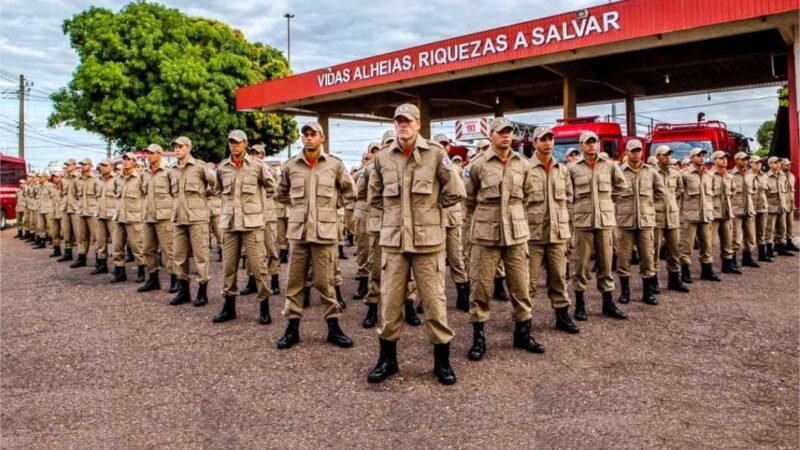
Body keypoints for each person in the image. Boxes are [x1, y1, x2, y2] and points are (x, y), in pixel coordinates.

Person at [366, 104, 460, 385]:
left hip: (427, 243)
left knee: (434, 303)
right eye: (399, 121)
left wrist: (431, 212)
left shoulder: (435, 154)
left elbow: (455, 191)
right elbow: (375, 196)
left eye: (407, 121)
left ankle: (442, 362)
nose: (402, 126)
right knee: (390, 303)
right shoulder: (383, 158)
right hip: (394, 243)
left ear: (418, 124)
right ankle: (387, 360)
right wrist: (396, 216)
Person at [463, 118, 546, 363]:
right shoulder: (478, 164)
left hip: (516, 234)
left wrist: (513, 216)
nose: (506, 136)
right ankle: (479, 338)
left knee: (521, 286)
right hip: (485, 234)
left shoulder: (522, 164)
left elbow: (527, 196)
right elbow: (468, 199)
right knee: (480, 287)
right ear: (491, 135)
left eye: (509, 132)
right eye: (501, 132)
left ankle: (523, 334)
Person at [274, 122, 356, 350]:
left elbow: (350, 192)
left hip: (324, 234)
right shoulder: (291, 166)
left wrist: (331, 207)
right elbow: (280, 193)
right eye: (306, 135)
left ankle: (334, 328)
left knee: (325, 283)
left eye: (313, 134)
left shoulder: (334, 165)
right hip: (299, 234)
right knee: (294, 283)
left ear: (322, 138)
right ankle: (292, 329)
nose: (309, 138)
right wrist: (298, 209)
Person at [211, 131, 276, 325]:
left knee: (258, 267)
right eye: (231, 142)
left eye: (237, 142)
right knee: (228, 267)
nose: (234, 145)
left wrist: (257, 207)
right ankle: (228, 307)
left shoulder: (257, 166)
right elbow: (218, 189)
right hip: (230, 224)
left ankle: (264, 307)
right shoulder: (223, 168)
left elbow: (271, 187)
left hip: (252, 224)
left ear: (245, 144)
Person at [569, 131, 629, 321]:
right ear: (581, 145)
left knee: (606, 264)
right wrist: (574, 210)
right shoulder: (573, 168)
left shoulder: (609, 165)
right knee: (580, 266)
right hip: (583, 222)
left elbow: (622, 185)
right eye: (587, 142)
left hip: (604, 222)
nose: (591, 145)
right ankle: (580, 305)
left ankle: (608, 304)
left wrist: (608, 201)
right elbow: (567, 193)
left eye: (594, 142)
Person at [525, 126, 579, 334]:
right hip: (533, 235)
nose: (548, 143)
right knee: (528, 281)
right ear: (534, 143)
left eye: (550, 139)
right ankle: (524, 320)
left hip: (557, 234)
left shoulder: (561, 170)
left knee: (558, 277)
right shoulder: (525, 168)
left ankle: (562, 316)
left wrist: (567, 229)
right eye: (543, 139)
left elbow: (569, 200)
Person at [614, 139, 665, 306]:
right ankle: (625, 292)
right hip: (625, 222)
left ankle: (647, 293)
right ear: (627, 152)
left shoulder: (650, 172)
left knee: (647, 258)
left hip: (646, 222)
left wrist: (648, 207)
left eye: (639, 150)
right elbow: (611, 193)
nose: (636, 154)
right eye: (633, 150)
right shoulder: (619, 171)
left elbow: (660, 192)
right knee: (624, 259)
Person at [169, 136, 215, 306]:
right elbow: (171, 193)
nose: (177, 149)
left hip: (197, 218)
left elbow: (216, 184)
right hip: (178, 217)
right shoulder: (172, 170)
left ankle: (202, 291)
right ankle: (184, 291)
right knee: (179, 256)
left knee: (201, 256)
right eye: (175, 147)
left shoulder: (199, 167)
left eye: (180, 146)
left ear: (189, 148)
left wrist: (205, 196)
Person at [239, 144, 282, 297]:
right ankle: (252, 281)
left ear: (263, 155)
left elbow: (275, 189)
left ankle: (275, 281)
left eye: (258, 153)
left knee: (271, 249)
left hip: (268, 215)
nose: (255, 155)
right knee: (250, 251)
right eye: (252, 153)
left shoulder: (271, 171)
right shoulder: (246, 169)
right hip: (252, 216)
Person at [434, 133, 469, 310]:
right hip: (434, 220)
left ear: (448, 147)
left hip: (453, 219)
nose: (442, 147)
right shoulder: (429, 166)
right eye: (439, 144)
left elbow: (463, 192)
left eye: (445, 144)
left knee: (456, 258)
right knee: (434, 262)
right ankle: (431, 298)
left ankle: (463, 295)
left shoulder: (457, 169)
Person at [138, 144, 179, 293]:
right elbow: (143, 193)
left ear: (159, 154)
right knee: (148, 249)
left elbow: (175, 194)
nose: (148, 156)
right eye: (147, 153)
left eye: (151, 153)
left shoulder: (168, 172)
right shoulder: (145, 173)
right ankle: (153, 279)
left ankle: (175, 280)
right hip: (148, 216)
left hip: (164, 217)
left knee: (169, 250)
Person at [679, 148, 720, 282]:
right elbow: (678, 194)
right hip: (689, 215)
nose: (702, 157)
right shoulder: (684, 174)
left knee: (707, 245)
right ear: (692, 158)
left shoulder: (709, 175)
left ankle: (707, 271)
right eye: (698, 155)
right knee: (686, 246)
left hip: (706, 214)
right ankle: (685, 272)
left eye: (703, 155)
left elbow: (712, 194)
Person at [653, 145, 690, 293]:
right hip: (656, 216)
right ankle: (653, 281)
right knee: (654, 251)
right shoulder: (651, 172)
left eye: (669, 154)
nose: (668, 157)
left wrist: (671, 200)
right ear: (658, 157)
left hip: (673, 216)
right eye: (665, 155)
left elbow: (680, 189)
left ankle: (674, 280)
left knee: (674, 249)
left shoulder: (675, 173)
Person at [110, 153, 146, 283]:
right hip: (120, 217)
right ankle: (120, 272)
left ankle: (141, 271)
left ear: (134, 162)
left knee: (138, 247)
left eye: (128, 159)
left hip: (134, 218)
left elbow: (145, 196)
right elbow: (116, 193)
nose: (125, 162)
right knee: (117, 246)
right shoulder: (118, 179)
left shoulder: (140, 178)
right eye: (124, 159)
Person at [352, 143, 380, 301]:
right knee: (365, 249)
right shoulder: (367, 169)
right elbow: (357, 191)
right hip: (366, 212)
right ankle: (363, 283)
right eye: (373, 151)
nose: (376, 153)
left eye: (379, 150)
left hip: (385, 213)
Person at [709, 151, 742, 274]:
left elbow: (733, 191)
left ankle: (727, 265)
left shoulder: (729, 176)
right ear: (714, 160)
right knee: (710, 242)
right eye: (721, 158)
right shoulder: (709, 175)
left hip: (726, 212)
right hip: (713, 213)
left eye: (726, 158)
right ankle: (708, 267)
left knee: (728, 240)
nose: (724, 160)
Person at [730, 152, 760, 268]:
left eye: (746, 159)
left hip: (749, 208)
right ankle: (732, 260)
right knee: (735, 237)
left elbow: (754, 190)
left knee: (750, 236)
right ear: (736, 160)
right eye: (742, 159)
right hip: (736, 209)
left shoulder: (750, 175)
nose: (745, 162)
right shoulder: (730, 175)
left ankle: (747, 258)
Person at [71, 158, 99, 269]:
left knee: (96, 237)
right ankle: (81, 257)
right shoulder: (77, 180)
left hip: (92, 212)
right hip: (81, 211)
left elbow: (99, 195)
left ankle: (99, 259)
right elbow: (74, 195)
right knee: (81, 236)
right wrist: (77, 206)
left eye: (85, 164)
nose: (82, 166)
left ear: (90, 166)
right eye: (81, 164)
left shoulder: (96, 179)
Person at [93, 158, 118, 275]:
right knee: (100, 241)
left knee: (116, 241)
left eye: (105, 165)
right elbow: (95, 195)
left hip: (112, 214)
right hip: (100, 214)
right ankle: (102, 264)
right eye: (102, 165)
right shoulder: (97, 180)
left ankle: (118, 267)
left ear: (111, 166)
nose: (103, 168)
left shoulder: (117, 179)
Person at [750, 156, 773, 262]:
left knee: (762, 231)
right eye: (756, 163)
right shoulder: (747, 175)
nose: (758, 164)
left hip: (762, 207)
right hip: (750, 208)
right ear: (750, 163)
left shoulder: (764, 176)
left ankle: (762, 255)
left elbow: (767, 191)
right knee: (749, 233)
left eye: (760, 163)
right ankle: (748, 256)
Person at [57, 159, 80, 262]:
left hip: (75, 209)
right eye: (66, 165)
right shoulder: (64, 180)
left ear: (74, 165)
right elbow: (62, 193)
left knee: (78, 234)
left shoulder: (79, 178)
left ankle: (81, 255)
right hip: (65, 208)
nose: (67, 166)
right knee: (66, 233)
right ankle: (67, 253)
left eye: (69, 165)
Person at [780, 159, 798, 252]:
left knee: (790, 224)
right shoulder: (778, 176)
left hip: (790, 203)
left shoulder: (791, 176)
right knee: (782, 226)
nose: (789, 166)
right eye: (786, 165)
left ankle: (789, 242)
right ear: (781, 165)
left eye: (789, 164)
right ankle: (781, 244)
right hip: (782, 204)